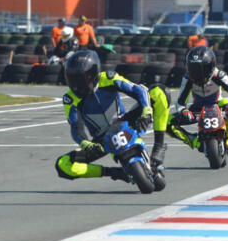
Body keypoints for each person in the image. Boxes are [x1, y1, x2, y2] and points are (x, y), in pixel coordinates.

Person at [55, 50, 156, 182]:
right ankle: (115, 173)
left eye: (80, 79)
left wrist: (146, 111)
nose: (76, 84)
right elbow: (76, 127)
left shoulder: (108, 78)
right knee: (63, 164)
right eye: (72, 79)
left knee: (157, 92)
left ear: (92, 73)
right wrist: (85, 143)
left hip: (125, 122)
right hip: (101, 142)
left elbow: (138, 89)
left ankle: (157, 148)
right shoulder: (70, 98)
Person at [168, 46, 228, 153]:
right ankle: (193, 140)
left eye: (200, 69)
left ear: (210, 66)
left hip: (217, 105)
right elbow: (180, 102)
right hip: (198, 109)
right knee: (167, 122)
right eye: (192, 69)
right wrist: (184, 111)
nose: (196, 73)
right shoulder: (187, 78)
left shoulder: (218, 75)